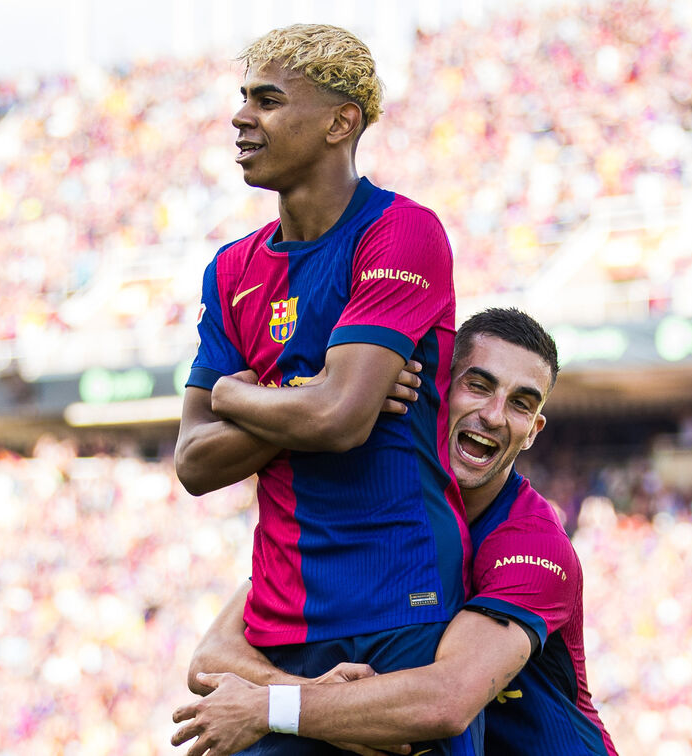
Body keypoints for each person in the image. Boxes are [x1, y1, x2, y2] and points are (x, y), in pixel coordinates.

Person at [173, 24, 476, 755]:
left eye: (268, 101)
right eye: (244, 98)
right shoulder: (231, 269)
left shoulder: (401, 231)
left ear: (341, 123)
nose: (241, 117)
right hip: (282, 620)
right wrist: (306, 399)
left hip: (402, 597)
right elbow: (193, 463)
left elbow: (339, 419)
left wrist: (238, 398)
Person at [174, 308, 620, 756]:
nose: (494, 415)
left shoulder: (534, 544)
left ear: (533, 431)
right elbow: (211, 657)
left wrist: (271, 707)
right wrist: (310, 700)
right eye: (478, 386)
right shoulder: (372, 500)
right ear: (438, 387)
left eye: (521, 403)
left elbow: (447, 697)